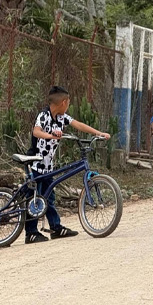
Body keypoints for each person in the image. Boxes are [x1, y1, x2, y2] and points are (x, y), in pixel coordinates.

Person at [24, 86, 110, 244]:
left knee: (48, 197)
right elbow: (36, 132)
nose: (68, 105)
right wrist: (51, 135)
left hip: (48, 166)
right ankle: (31, 233)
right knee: (34, 198)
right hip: (36, 164)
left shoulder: (62, 117)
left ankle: (56, 228)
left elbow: (79, 125)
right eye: (68, 102)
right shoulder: (44, 115)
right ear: (63, 102)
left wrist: (99, 133)